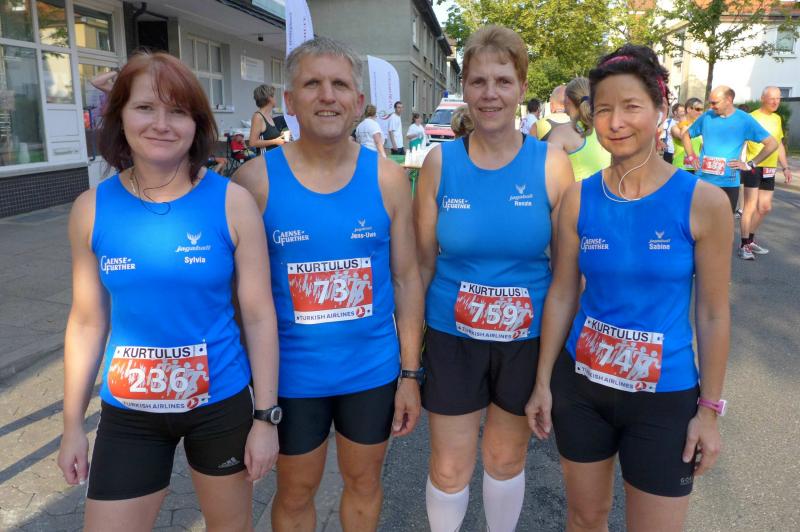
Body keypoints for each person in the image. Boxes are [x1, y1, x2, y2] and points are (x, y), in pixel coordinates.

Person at [57, 51, 280, 531]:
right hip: (130, 410)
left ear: (196, 124)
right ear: (120, 116)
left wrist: (266, 418)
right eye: (145, 108)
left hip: (219, 404)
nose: (161, 124)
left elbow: (259, 316)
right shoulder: (90, 209)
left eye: (177, 111)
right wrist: (72, 424)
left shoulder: (234, 203)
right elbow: (87, 321)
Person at [525, 43, 732, 532]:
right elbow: (562, 293)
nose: (616, 122)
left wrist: (709, 411)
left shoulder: (703, 202)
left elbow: (713, 313)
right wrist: (542, 382)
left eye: (631, 106)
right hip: (582, 389)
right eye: (603, 109)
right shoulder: (578, 198)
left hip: (664, 397)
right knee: (585, 519)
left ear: (660, 110)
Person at [232, 37, 424, 531]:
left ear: (358, 102)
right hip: (292, 378)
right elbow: (237, 299)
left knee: (364, 483)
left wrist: (410, 373)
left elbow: (406, 280)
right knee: (296, 492)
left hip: (371, 372)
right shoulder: (254, 182)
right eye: (312, 84)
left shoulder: (388, 179)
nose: (327, 95)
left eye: (339, 84)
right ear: (289, 100)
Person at [415, 25, 573, 532]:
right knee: (448, 467)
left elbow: (567, 277)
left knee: (505, 459)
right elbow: (420, 267)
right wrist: (408, 360)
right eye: (478, 81)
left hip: (524, 340)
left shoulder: (551, 163)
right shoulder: (440, 162)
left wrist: (547, 373)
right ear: (464, 88)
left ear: (522, 87)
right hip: (452, 336)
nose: (490, 94)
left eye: (503, 81)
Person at [681, 85, 778, 214]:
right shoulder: (707, 116)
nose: (711, 106)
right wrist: (692, 156)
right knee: (698, 221)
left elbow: (772, 144)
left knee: (723, 224)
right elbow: (686, 135)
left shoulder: (744, 120)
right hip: (703, 181)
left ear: (728, 100)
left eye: (715, 103)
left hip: (728, 183)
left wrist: (750, 164)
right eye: (710, 103)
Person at [739, 86, 793, 259]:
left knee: (765, 207)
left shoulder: (777, 119)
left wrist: (785, 167)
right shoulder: (751, 117)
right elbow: (741, 141)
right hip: (753, 166)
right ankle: (744, 245)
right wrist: (739, 163)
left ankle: (750, 240)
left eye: (779, 98)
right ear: (763, 98)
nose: (776, 102)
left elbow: (779, 144)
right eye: (772, 98)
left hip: (770, 168)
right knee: (750, 206)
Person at [546, 77, 611, 181]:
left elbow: (546, 173)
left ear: (567, 100)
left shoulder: (561, 133)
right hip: (611, 190)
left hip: (580, 191)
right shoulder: (607, 127)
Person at [249, 84, 286, 153]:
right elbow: (252, 143)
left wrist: (279, 135)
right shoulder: (258, 116)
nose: (275, 99)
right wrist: (275, 141)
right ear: (270, 98)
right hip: (265, 158)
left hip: (274, 156)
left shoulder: (269, 116)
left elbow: (268, 136)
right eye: (274, 96)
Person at [671, 98, 702, 172]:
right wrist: (684, 122)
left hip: (695, 168)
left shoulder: (698, 128)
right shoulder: (675, 128)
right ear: (688, 109)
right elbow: (683, 137)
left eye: (701, 110)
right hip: (680, 168)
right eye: (698, 109)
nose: (700, 112)